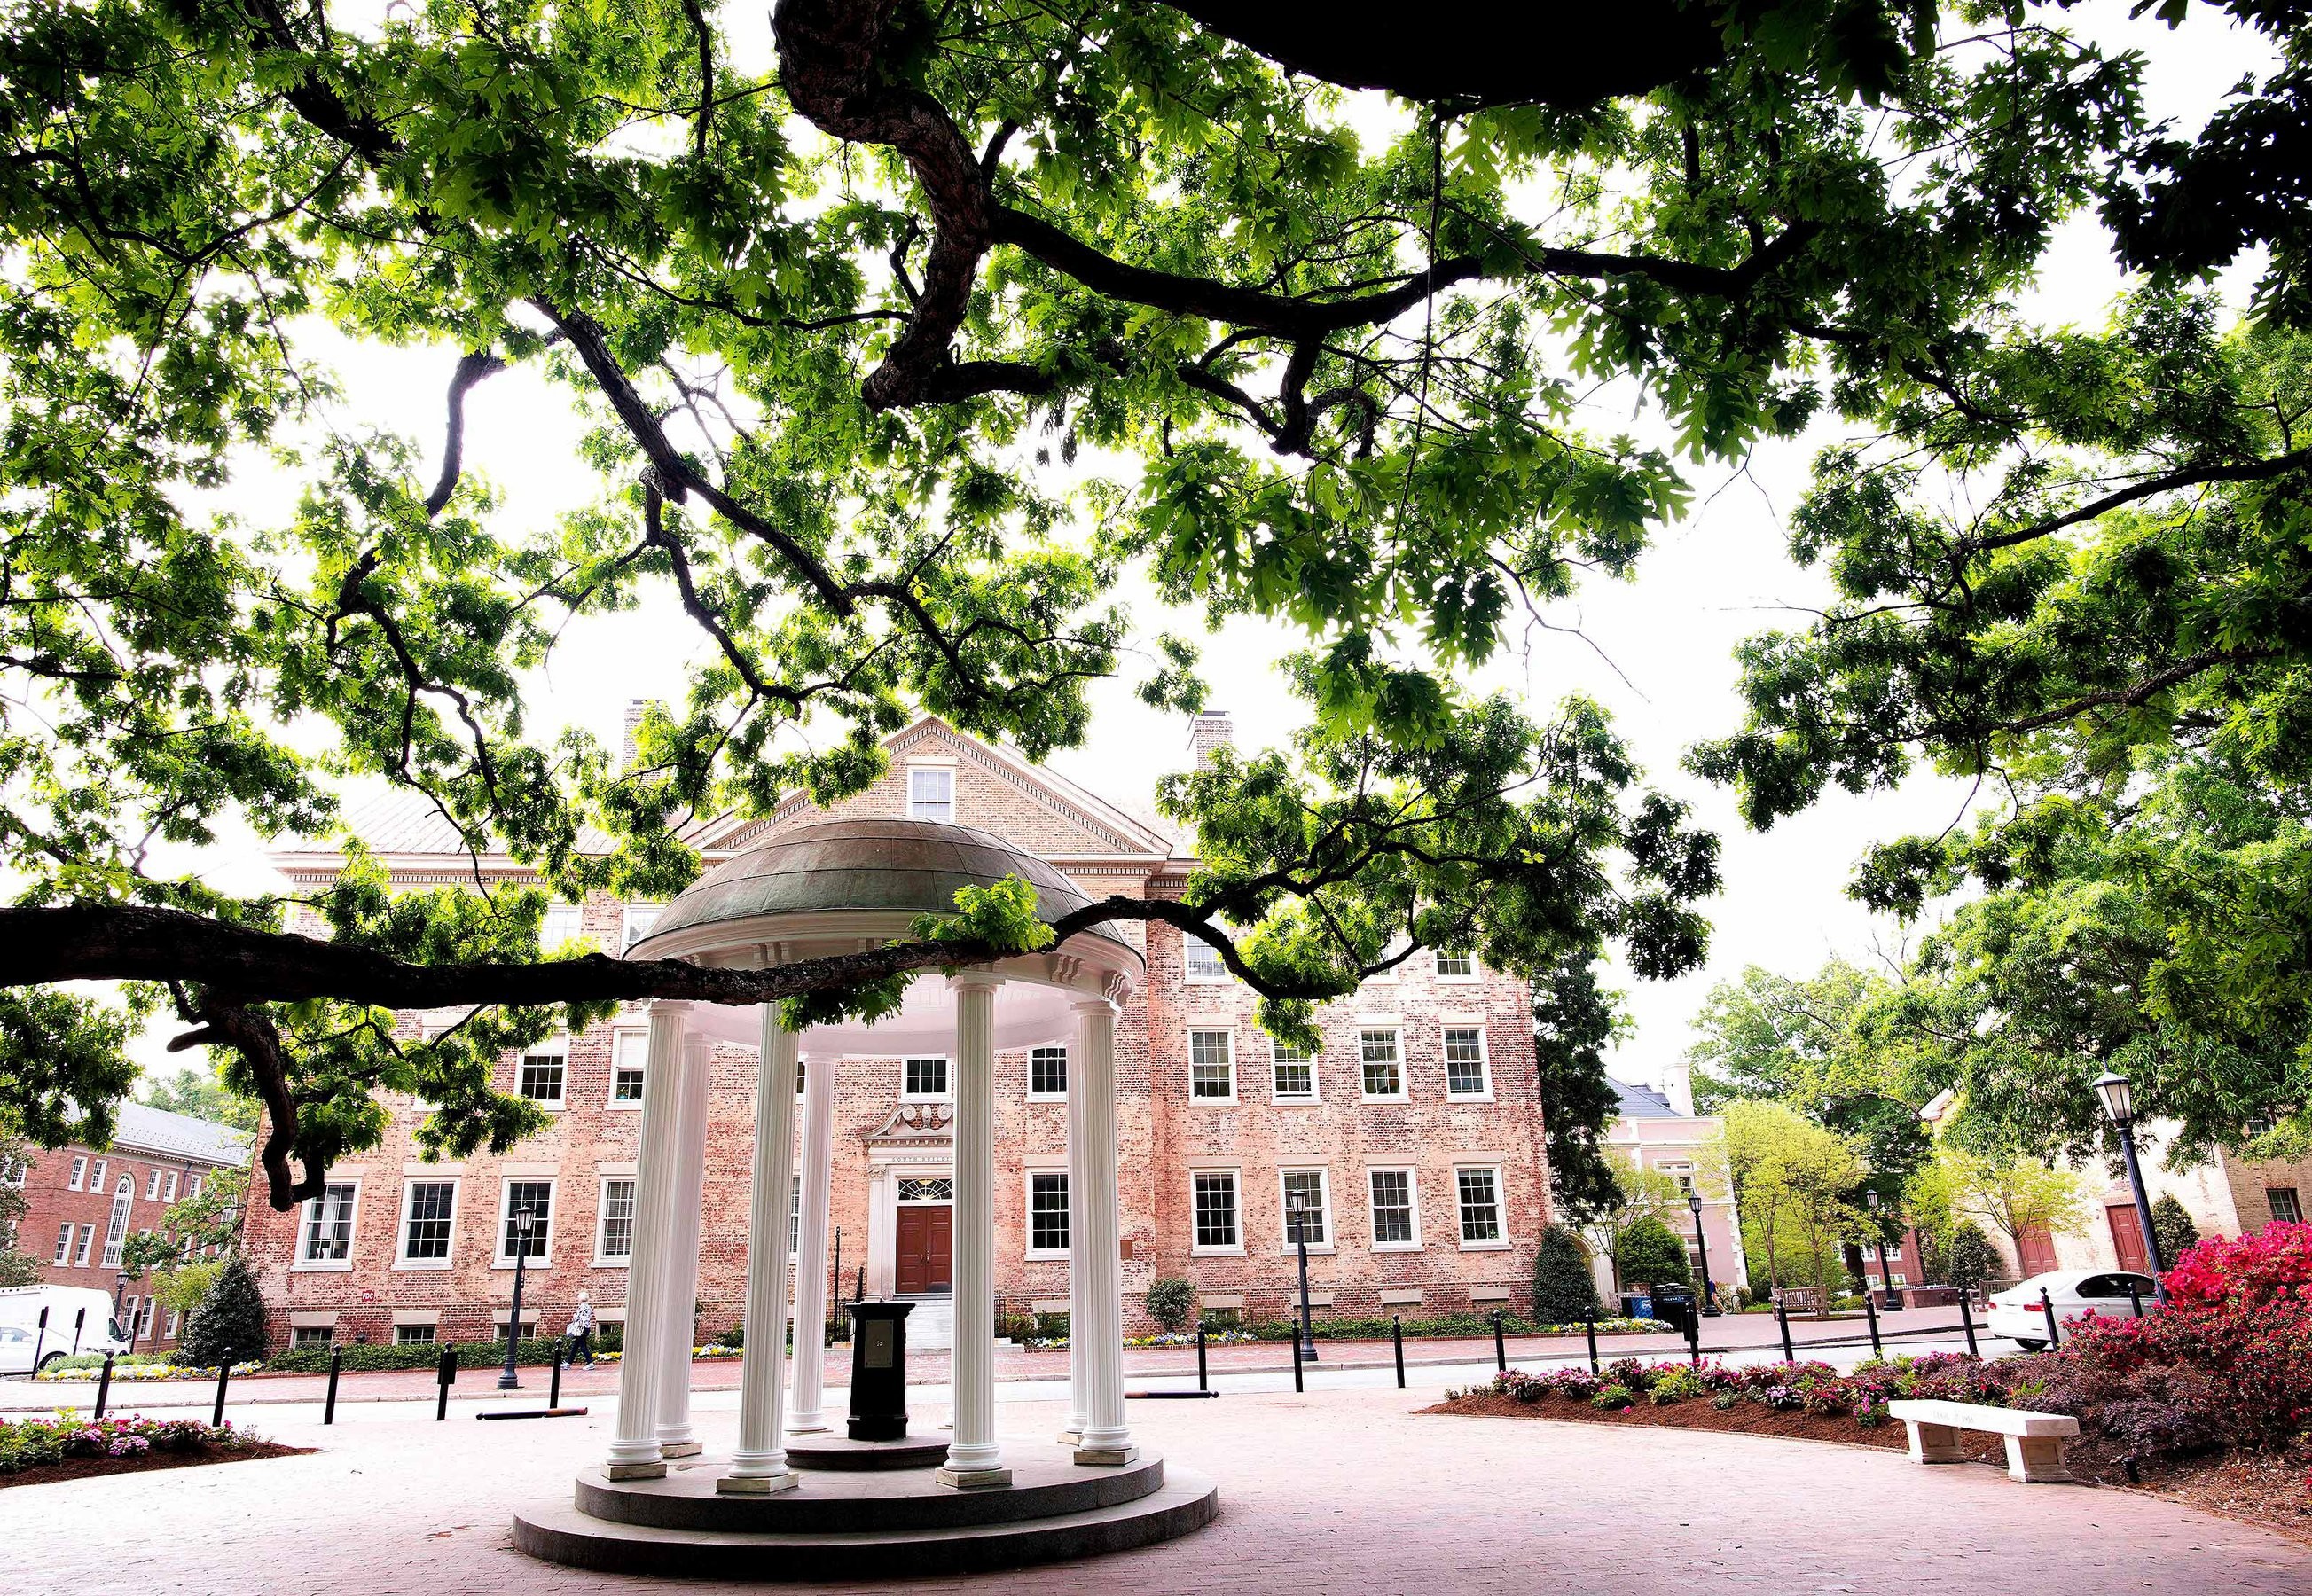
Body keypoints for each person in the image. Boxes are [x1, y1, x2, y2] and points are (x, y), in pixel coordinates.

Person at [566, 1291, 594, 1366]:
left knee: (582, 1346)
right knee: (576, 1345)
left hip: (581, 1329)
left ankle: (590, 1363)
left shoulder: (583, 1307)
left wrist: (575, 1316)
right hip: (584, 1328)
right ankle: (568, 1363)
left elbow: (580, 1318)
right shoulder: (587, 1306)